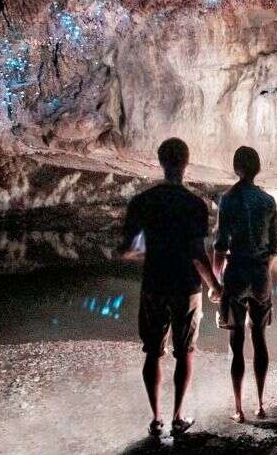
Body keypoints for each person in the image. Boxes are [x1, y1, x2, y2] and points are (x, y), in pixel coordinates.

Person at [119, 137, 219, 440]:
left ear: (160, 162)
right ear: (186, 163)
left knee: (152, 352)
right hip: (186, 287)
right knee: (185, 351)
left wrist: (144, 251)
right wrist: (215, 286)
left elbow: (127, 249)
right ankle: (177, 417)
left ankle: (156, 420)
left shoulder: (142, 202)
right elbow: (196, 253)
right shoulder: (194, 205)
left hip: (153, 283)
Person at [212, 145, 277, 422]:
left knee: (236, 339)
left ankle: (238, 409)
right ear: (257, 169)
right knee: (260, 338)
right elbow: (274, 247)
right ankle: (261, 404)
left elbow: (219, 246)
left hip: (236, 272)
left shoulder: (227, 199)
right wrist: (263, 267)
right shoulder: (268, 201)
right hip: (260, 273)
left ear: (236, 168)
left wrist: (217, 281)